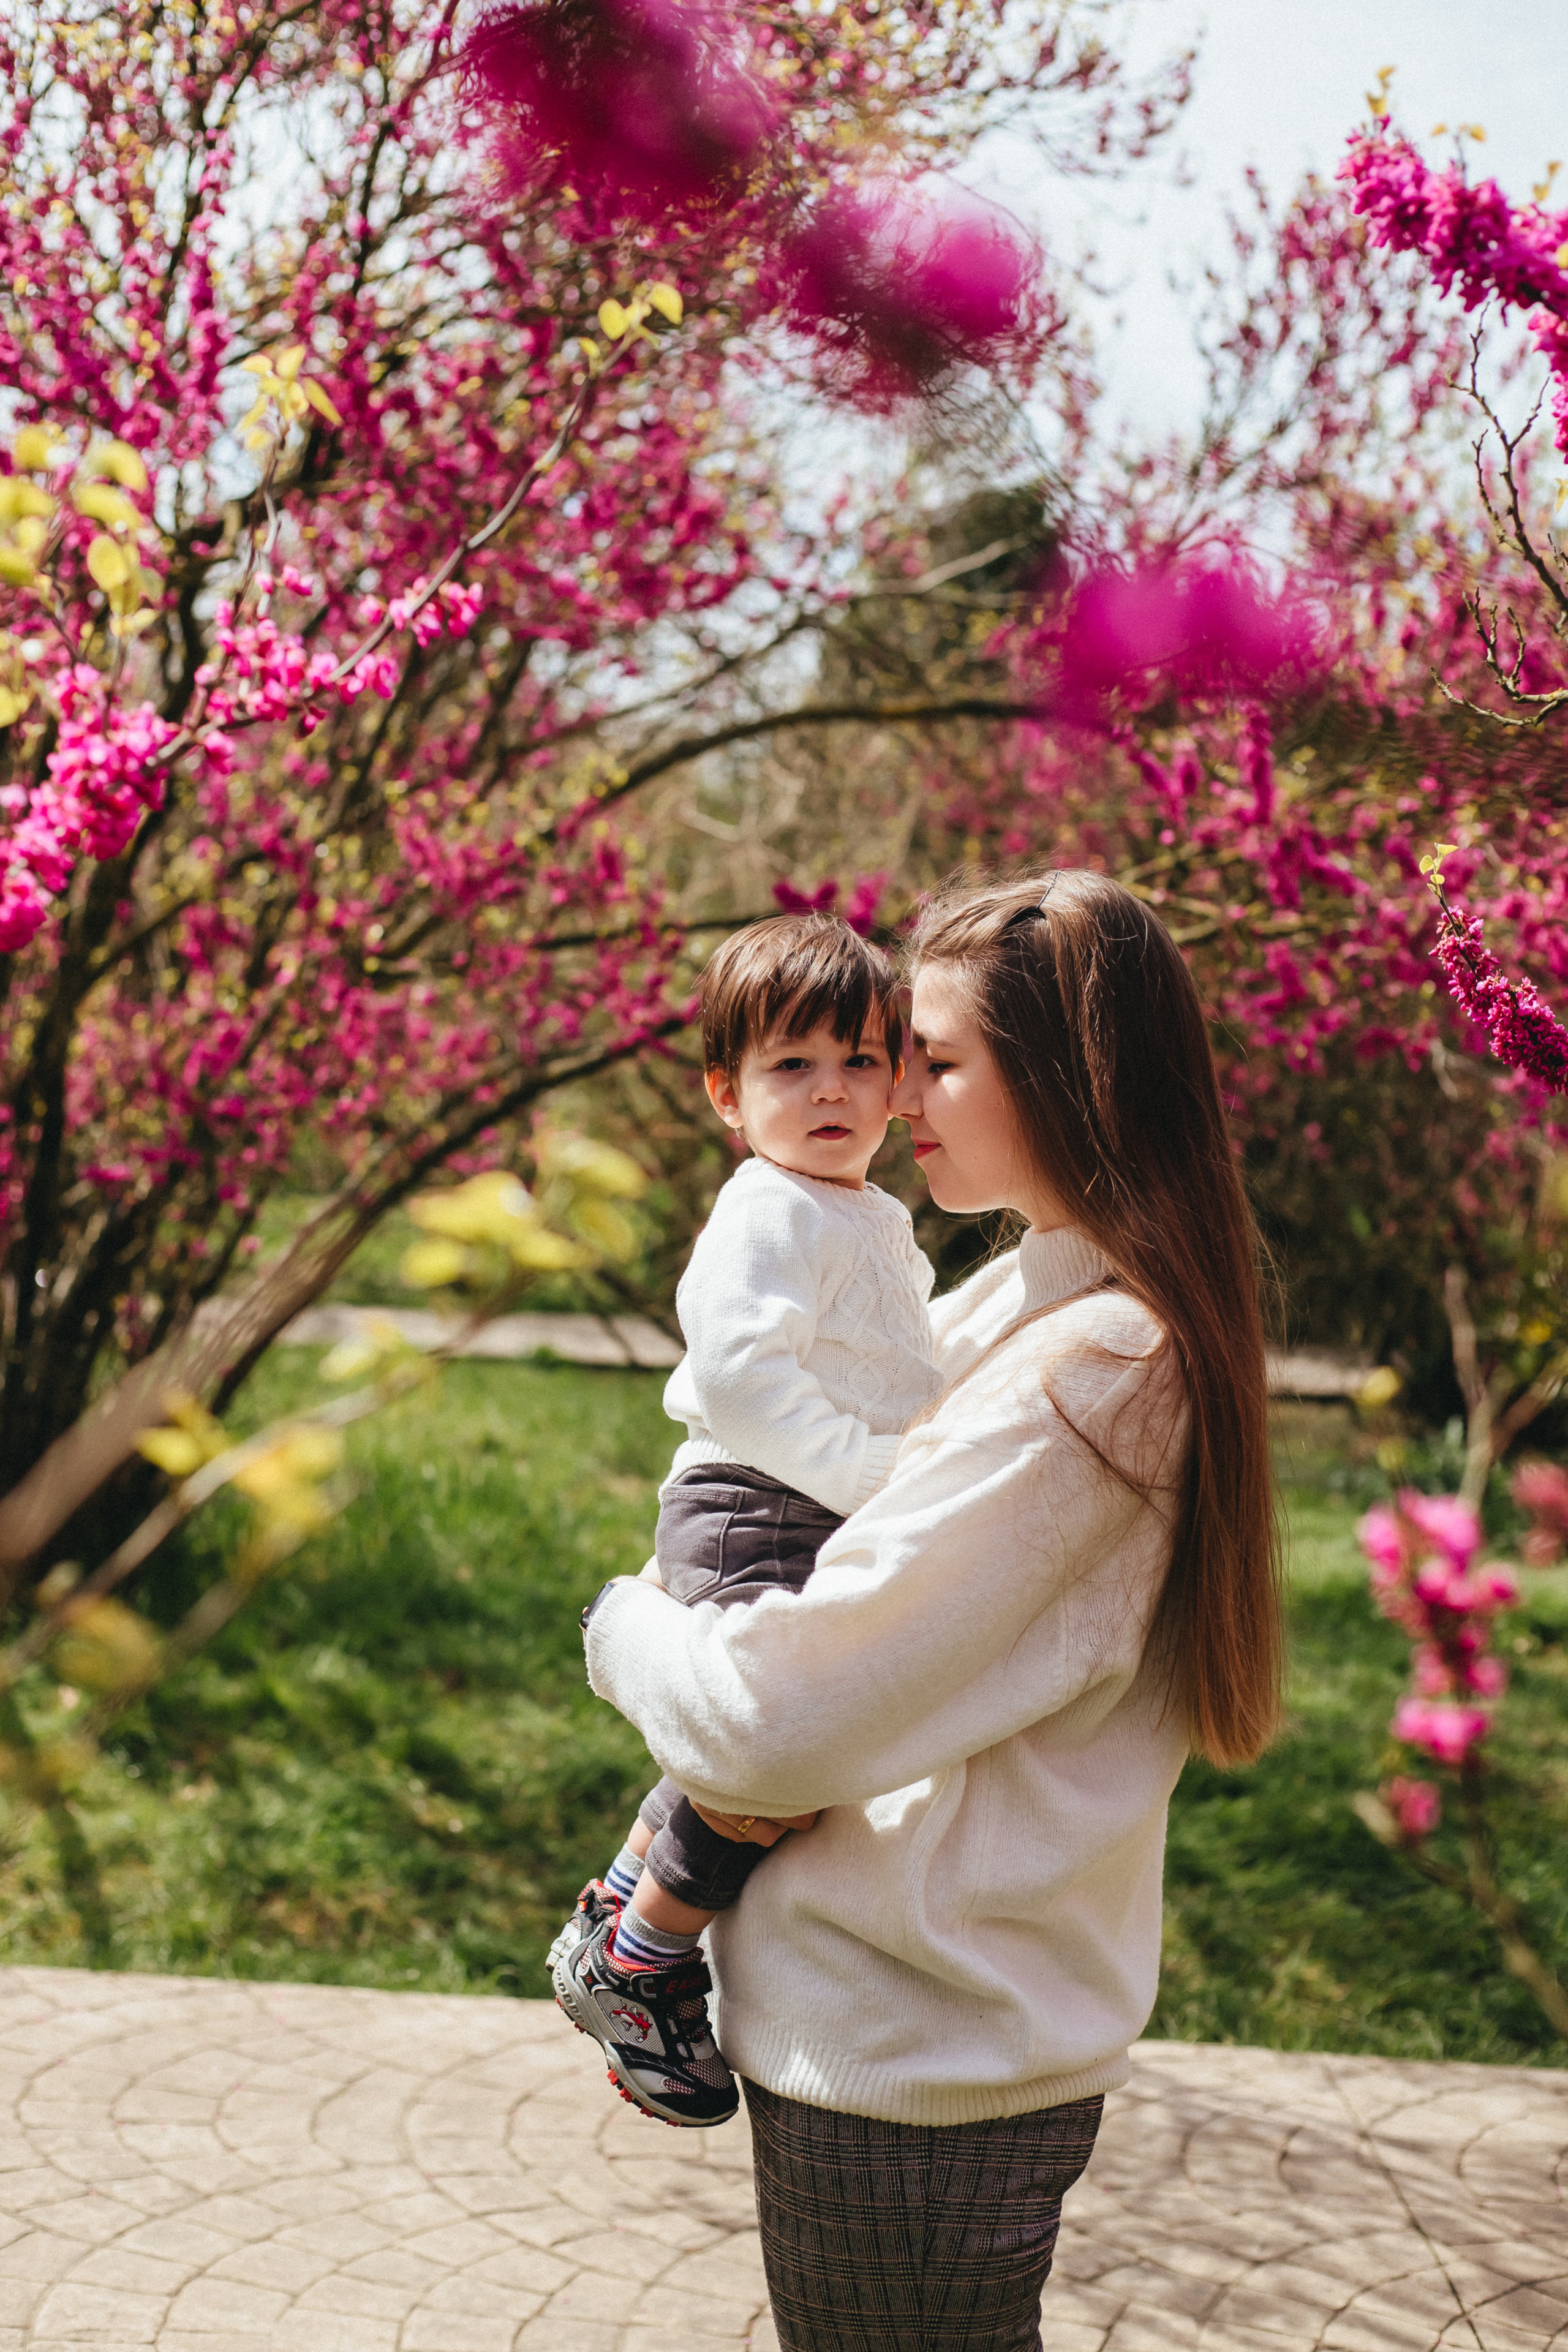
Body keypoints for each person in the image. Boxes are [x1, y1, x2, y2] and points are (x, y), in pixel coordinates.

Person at [580, 869, 1284, 2351]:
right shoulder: (1035, 1304)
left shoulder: (1094, 1367)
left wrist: (619, 1626)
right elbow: (797, 1413)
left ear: (1066, 1077)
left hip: (916, 2049)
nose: (894, 1097)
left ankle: (626, 1935)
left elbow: (767, 1722)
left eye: (932, 1058)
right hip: (917, 2027)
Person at [551, 910, 943, 2127]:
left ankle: (619, 1905)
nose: (831, 1090)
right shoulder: (771, 1207)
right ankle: (645, 1959)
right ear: (728, 1095)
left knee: (771, 1750)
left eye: (860, 1061)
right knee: (775, 1748)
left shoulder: (862, 1212)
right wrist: (868, 1474)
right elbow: (738, 1377)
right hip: (757, 1502)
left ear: (897, 1081)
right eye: (791, 1064)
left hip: (802, 1503)